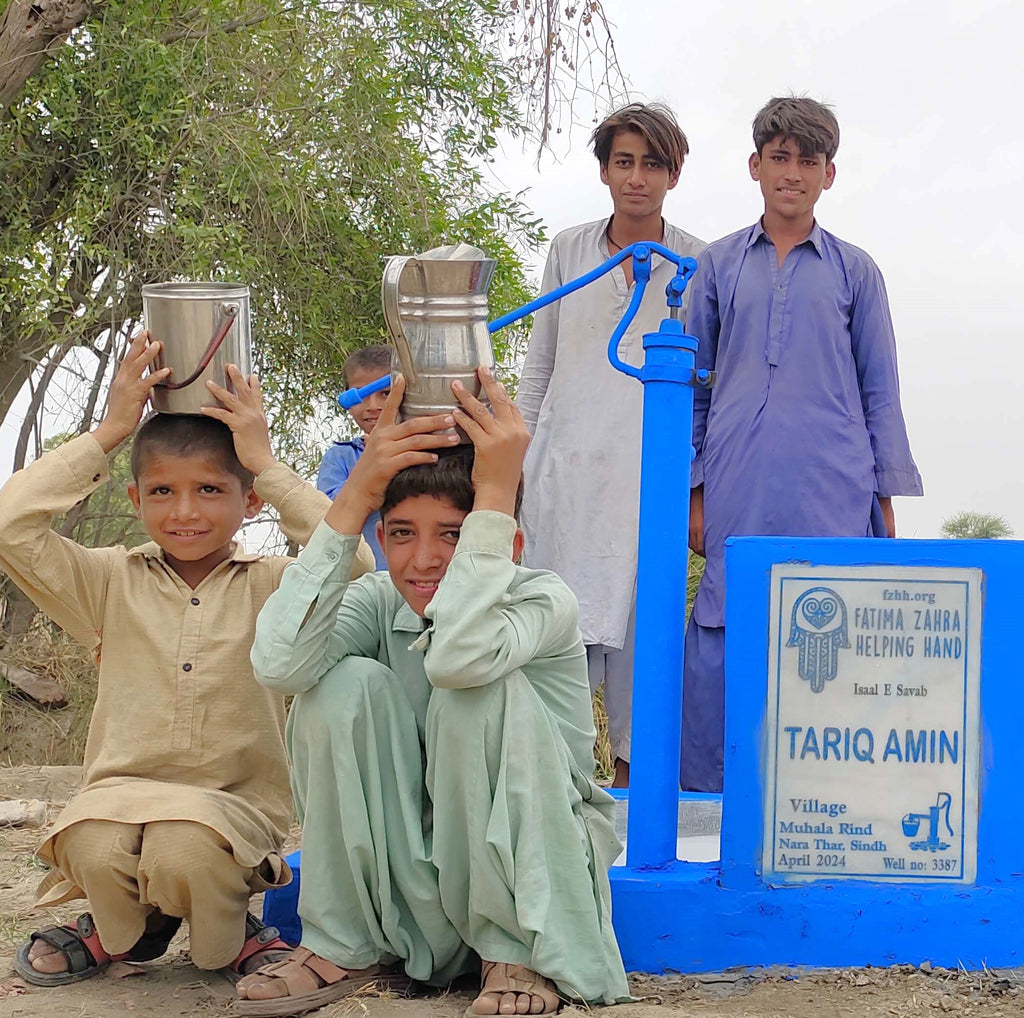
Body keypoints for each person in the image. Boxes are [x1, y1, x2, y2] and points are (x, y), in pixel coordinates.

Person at [238, 371, 629, 1017]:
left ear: (506, 542)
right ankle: (345, 942)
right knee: (338, 685)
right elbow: (280, 664)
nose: (423, 560)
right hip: (415, 892)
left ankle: (516, 956)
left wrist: (497, 488)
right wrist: (355, 495)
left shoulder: (541, 601)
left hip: (524, 891)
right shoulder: (376, 600)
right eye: (400, 533)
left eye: (453, 533)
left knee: (470, 689)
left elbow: (460, 656)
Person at [4, 334, 374, 986]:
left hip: (228, 809)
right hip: (117, 798)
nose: (185, 512)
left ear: (248, 501)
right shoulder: (107, 580)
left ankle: (225, 939)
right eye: (164, 492)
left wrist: (264, 461)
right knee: (88, 841)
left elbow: (356, 562)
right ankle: (125, 932)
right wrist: (112, 431)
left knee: (185, 849)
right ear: (136, 500)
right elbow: (11, 524)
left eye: (209, 489)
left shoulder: (272, 584)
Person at [684, 95, 923, 792]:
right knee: (727, 634)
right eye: (780, 158)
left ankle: (834, 806)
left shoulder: (857, 271)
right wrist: (694, 491)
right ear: (755, 166)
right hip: (737, 483)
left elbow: (881, 389)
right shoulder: (717, 267)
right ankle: (711, 804)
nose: (793, 173)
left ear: (830, 175)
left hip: (835, 486)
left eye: (808, 161)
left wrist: (883, 501)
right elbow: (695, 387)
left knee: (832, 633)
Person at [516, 102, 705, 787]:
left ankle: (631, 799)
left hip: (647, 477)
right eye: (624, 162)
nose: (637, 178)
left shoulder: (698, 262)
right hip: (564, 473)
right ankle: (558, 797)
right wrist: (516, 460)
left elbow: (704, 386)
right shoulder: (570, 249)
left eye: (652, 163)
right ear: (604, 171)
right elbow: (539, 365)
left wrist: (694, 484)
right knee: (557, 638)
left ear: (673, 174)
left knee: (642, 644)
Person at [316, 344, 392, 569]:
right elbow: (327, 513)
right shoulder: (340, 457)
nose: (373, 406)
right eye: (360, 395)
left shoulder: (429, 447)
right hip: (359, 583)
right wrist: (370, 471)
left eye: (385, 393)